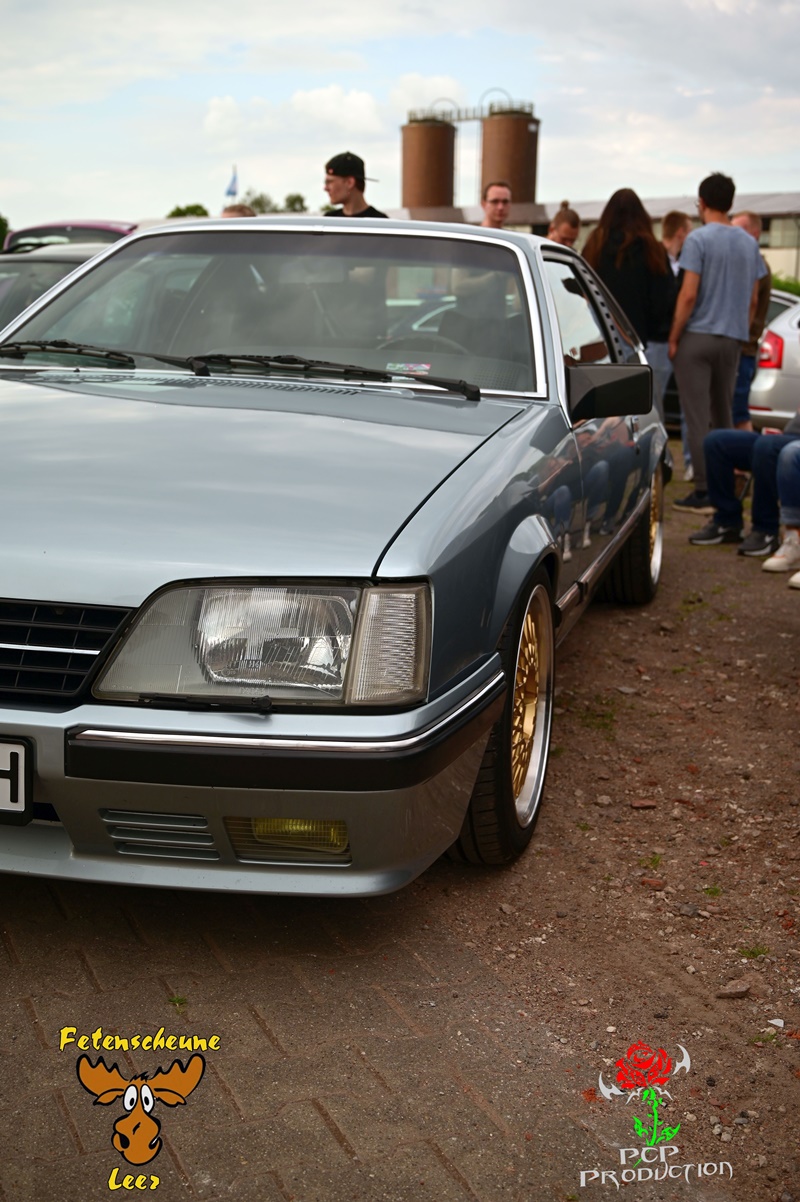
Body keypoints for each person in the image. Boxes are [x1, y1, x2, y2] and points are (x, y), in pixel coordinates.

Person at [669, 172, 767, 513]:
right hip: (732, 339)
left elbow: (688, 294)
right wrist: (740, 330)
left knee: (697, 418)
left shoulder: (698, 239)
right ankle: (726, 489)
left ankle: (704, 490)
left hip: (697, 337)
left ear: (702, 202)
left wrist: (674, 337)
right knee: (724, 414)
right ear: (730, 202)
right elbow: (753, 299)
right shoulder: (749, 243)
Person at [582, 189, 676, 418]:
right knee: (649, 410)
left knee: (605, 412)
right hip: (649, 343)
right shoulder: (653, 249)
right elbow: (665, 298)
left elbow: (583, 290)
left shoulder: (595, 245)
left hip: (603, 339)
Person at [687, 410, 800, 562]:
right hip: (787, 435)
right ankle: (727, 522)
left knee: (766, 447)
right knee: (716, 441)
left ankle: (766, 530)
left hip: (793, 446)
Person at [730, 211, 771, 431]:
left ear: (754, 234)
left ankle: (743, 450)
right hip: (740, 349)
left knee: (738, 413)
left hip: (743, 350)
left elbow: (748, 302)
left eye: (738, 230)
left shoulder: (755, 265)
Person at [323, 152, 387, 218]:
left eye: (329, 182)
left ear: (350, 182)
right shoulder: (329, 219)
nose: (325, 188)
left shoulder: (380, 222)